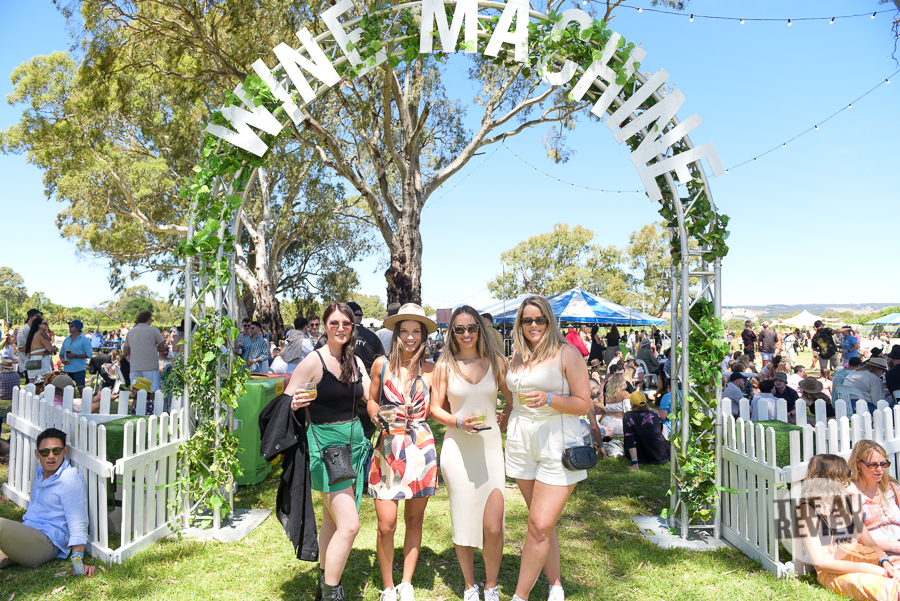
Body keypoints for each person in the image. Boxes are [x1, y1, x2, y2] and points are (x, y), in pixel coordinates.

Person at [505, 296, 591, 601]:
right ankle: (555, 584)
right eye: (527, 320)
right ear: (519, 323)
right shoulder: (517, 355)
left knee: (540, 524)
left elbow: (584, 404)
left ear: (550, 322)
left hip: (558, 443)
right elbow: (512, 393)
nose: (534, 325)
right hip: (521, 442)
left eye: (540, 319)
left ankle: (519, 596)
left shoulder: (567, 354)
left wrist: (550, 399)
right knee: (540, 521)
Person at [285, 302, 372, 601]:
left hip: (355, 446)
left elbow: (370, 396)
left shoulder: (355, 362)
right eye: (334, 323)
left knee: (333, 521)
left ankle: (325, 579)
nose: (340, 328)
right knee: (349, 525)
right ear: (324, 326)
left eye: (346, 323)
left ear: (352, 327)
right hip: (328, 449)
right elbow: (285, 400)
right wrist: (294, 403)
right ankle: (332, 593)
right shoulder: (314, 360)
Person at [430, 305, 513, 601]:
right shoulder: (444, 366)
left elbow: (511, 398)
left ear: (480, 328)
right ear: (452, 332)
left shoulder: (496, 361)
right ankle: (469, 585)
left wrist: (504, 420)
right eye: (459, 329)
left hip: (490, 451)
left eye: (471, 327)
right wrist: (458, 422)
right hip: (457, 452)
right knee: (463, 519)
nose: (466, 334)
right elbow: (434, 409)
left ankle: (491, 585)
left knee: (494, 525)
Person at [366, 304, 438, 601]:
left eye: (416, 331)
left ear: (423, 335)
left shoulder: (432, 370)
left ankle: (406, 583)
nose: (410, 337)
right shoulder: (380, 365)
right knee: (386, 525)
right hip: (388, 448)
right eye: (405, 331)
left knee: (414, 520)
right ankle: (387, 586)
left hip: (421, 450)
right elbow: (372, 399)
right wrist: (375, 414)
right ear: (396, 334)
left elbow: (440, 408)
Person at [796, 454, 900, 601]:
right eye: (845, 474)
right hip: (834, 570)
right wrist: (866, 568)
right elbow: (820, 563)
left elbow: (869, 542)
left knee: (894, 575)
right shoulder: (807, 510)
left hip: (858, 556)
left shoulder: (847, 502)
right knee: (887, 589)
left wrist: (885, 562)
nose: (848, 479)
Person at [0, 428, 95, 576]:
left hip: (46, 543)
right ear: (37, 454)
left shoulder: (70, 480)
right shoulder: (40, 473)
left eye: (56, 451)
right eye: (45, 452)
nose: (51, 456)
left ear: (65, 451)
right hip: (27, 534)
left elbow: (78, 523)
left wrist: (78, 564)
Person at [847, 440, 900, 554]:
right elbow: (855, 535)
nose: (879, 469)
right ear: (858, 463)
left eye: (883, 464)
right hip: (876, 551)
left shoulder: (891, 488)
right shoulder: (851, 493)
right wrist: (892, 546)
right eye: (873, 465)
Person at [622, 390, 669, 470]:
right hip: (661, 454)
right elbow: (660, 431)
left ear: (632, 403)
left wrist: (635, 463)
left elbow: (630, 439)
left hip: (643, 455)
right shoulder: (655, 413)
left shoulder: (628, 416)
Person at [123, 310, 167, 391]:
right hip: (150, 367)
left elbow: (125, 351)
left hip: (135, 367)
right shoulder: (154, 330)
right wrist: (152, 347)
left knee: (136, 393)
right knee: (152, 391)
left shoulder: (131, 332)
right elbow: (162, 348)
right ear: (148, 319)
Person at [58, 320, 93, 390]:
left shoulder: (85, 340)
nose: (69, 327)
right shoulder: (66, 340)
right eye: (69, 325)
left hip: (79, 369)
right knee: (68, 391)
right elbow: (61, 353)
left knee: (81, 389)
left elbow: (89, 354)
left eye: (71, 326)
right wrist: (62, 359)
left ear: (78, 328)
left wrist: (75, 356)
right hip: (67, 369)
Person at [24, 317, 56, 384]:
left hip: (32, 360)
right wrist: (55, 349)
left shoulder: (32, 334)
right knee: (43, 382)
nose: (47, 325)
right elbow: (49, 348)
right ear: (39, 325)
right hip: (42, 360)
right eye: (45, 323)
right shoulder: (42, 334)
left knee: (32, 382)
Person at [16, 308, 42, 378]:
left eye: (40, 317)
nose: (39, 319)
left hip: (38, 363)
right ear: (31, 317)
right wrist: (36, 345)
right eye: (37, 316)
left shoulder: (37, 330)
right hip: (28, 364)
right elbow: (21, 348)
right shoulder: (23, 331)